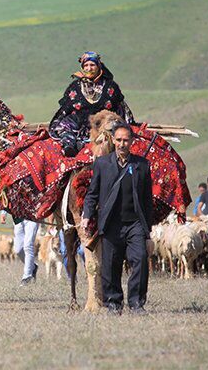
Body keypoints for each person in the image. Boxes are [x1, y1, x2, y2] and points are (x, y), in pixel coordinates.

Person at [81, 123, 153, 315]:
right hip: (111, 224)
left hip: (134, 224)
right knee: (111, 266)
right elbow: (92, 194)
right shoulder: (102, 164)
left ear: (132, 141)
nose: (122, 144)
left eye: (126, 140)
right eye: (119, 140)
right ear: (113, 140)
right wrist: (87, 215)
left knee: (140, 260)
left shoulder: (142, 166)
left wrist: (148, 232)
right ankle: (113, 304)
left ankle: (137, 303)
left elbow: (147, 201)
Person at [49, 51, 135, 157]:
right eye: (86, 65)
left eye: (92, 65)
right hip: (79, 130)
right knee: (66, 129)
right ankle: (70, 150)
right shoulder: (75, 87)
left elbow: (121, 109)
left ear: (98, 66)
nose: (89, 68)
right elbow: (64, 110)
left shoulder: (110, 87)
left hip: (104, 128)